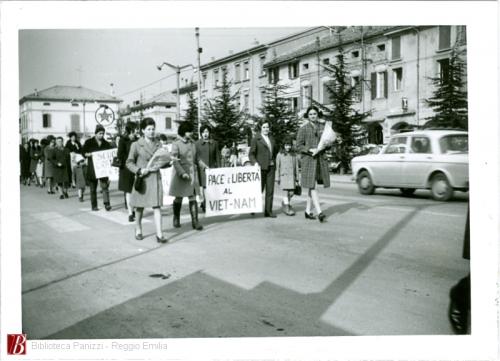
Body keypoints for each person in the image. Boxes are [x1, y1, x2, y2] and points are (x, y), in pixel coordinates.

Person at [126, 117, 171, 242]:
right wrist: (139, 170)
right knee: (140, 207)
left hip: (155, 178)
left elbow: (161, 161)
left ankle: (159, 234)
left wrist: (169, 162)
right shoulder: (136, 145)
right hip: (143, 179)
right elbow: (129, 163)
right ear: (143, 131)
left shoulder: (159, 144)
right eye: (148, 129)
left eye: (153, 129)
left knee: (157, 207)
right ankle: (138, 228)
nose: (151, 131)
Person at [296, 105, 330, 222]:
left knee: (312, 185)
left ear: (317, 114)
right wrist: (309, 149)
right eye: (310, 114)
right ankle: (320, 212)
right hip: (309, 160)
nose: (313, 116)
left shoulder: (323, 127)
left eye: (314, 114)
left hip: (320, 160)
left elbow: (327, 142)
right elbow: (298, 146)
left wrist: (326, 145)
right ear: (307, 116)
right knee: (313, 186)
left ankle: (307, 211)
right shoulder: (303, 128)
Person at [169, 122, 204, 231]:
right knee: (179, 197)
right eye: (190, 131)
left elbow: (197, 158)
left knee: (192, 197)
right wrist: (182, 173)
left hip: (191, 174)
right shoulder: (176, 144)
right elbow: (174, 161)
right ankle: (176, 218)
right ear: (184, 132)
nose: (192, 133)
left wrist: (203, 166)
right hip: (180, 175)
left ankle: (195, 221)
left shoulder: (192, 143)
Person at [249, 120, 277, 218]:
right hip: (260, 167)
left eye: (267, 127)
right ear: (260, 128)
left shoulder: (272, 138)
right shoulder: (256, 139)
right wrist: (255, 163)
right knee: (258, 190)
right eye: (264, 127)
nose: (266, 129)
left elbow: (275, 150)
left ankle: (268, 211)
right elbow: (251, 153)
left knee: (270, 190)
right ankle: (252, 207)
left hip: (271, 166)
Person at [82, 125, 112, 211]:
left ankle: (107, 204)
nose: (101, 135)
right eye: (100, 133)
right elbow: (83, 151)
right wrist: (87, 154)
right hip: (93, 169)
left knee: (105, 187)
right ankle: (94, 205)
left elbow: (110, 155)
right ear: (95, 133)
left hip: (103, 170)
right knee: (92, 189)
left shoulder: (106, 143)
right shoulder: (89, 142)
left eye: (103, 133)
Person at [195, 124, 220, 212]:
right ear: (201, 133)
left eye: (207, 132)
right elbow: (196, 157)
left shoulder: (214, 143)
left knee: (211, 187)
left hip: (212, 168)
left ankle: (211, 203)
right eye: (203, 132)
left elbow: (218, 157)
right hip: (202, 169)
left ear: (209, 133)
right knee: (204, 187)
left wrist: (219, 169)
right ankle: (205, 203)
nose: (205, 134)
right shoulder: (197, 144)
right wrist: (202, 166)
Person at [118, 122, 138, 222]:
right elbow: (119, 155)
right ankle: (130, 213)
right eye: (135, 130)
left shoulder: (138, 140)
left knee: (136, 190)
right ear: (130, 130)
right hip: (126, 169)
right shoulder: (123, 140)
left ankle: (134, 209)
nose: (137, 132)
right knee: (128, 191)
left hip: (137, 168)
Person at [275, 138, 300, 216]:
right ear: (283, 146)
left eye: (289, 145)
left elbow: (296, 166)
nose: (288, 147)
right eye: (286, 145)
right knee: (286, 193)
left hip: (291, 177)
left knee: (291, 193)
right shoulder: (279, 154)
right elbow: (277, 167)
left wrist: (297, 178)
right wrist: (277, 178)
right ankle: (287, 207)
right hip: (284, 176)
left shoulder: (294, 155)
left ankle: (285, 202)